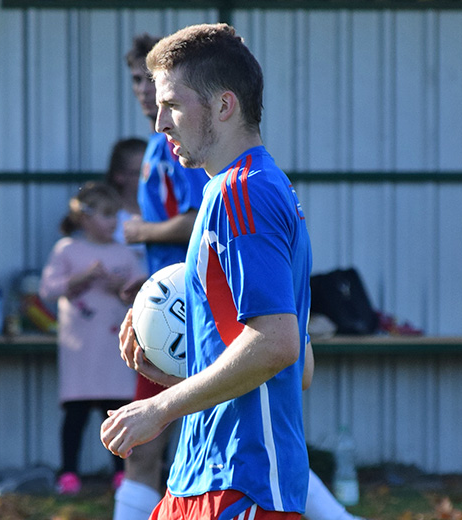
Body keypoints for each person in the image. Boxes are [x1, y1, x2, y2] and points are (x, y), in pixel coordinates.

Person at [100, 23, 313, 519]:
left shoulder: (240, 193)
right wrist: (177, 367)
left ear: (224, 105)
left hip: (238, 482)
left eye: (172, 105)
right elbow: (300, 363)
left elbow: (277, 345)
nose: (159, 123)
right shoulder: (262, 186)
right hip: (202, 476)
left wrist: (159, 408)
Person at [112, 34, 210, 520]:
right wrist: (147, 282)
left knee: (145, 443)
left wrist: (142, 231)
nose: (143, 91)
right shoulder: (155, 145)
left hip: (185, 314)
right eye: (136, 80)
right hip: (167, 308)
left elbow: (201, 218)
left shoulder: (178, 147)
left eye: (151, 82)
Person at [39, 182, 146, 494]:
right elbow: (48, 290)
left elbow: (141, 293)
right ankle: (69, 473)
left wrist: (121, 288)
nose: (113, 222)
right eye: (106, 215)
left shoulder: (124, 254)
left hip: (115, 349)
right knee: (76, 413)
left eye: (115, 215)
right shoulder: (67, 250)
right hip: (80, 349)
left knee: (117, 411)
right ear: (84, 218)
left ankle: (121, 473)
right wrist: (83, 277)